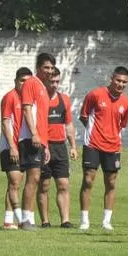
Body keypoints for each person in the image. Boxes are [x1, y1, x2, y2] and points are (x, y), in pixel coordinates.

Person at [79, 66, 128, 231]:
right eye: (118, 80)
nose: (120, 84)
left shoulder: (127, 103)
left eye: (124, 82)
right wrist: (93, 132)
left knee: (110, 182)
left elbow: (122, 125)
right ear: (111, 78)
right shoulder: (95, 94)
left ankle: (106, 221)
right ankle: (84, 220)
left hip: (113, 146)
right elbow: (84, 116)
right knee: (88, 179)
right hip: (93, 144)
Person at [18, 52, 56, 230]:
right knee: (32, 178)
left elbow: (42, 119)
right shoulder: (31, 83)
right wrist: (34, 134)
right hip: (29, 138)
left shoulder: (43, 87)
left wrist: (45, 145)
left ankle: (29, 219)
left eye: (51, 68)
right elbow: (27, 110)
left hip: (40, 141)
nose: (49, 71)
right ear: (38, 67)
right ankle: (26, 219)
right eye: (46, 67)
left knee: (36, 177)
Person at [38, 68, 78, 228]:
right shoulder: (40, 100)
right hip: (43, 147)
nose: (54, 85)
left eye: (57, 82)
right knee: (44, 185)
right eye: (51, 81)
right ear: (45, 81)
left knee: (63, 184)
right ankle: (45, 221)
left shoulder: (64, 100)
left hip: (60, 147)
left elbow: (68, 124)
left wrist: (73, 146)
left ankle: (65, 220)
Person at [1, 68, 32, 229]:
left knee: (15, 184)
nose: (24, 84)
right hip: (10, 146)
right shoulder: (10, 97)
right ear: (15, 81)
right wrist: (12, 146)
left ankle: (8, 220)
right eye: (22, 81)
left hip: (23, 146)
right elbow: (5, 122)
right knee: (14, 182)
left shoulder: (29, 99)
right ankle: (21, 220)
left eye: (27, 81)